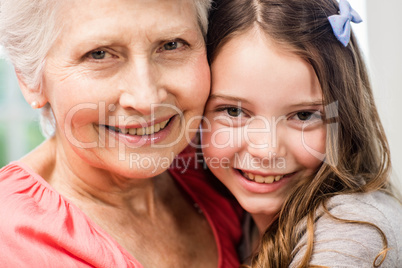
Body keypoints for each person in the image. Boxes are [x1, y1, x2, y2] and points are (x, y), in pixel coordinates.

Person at [0, 0, 243, 267]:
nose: (147, 99)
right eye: (100, 54)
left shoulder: (220, 171)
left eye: (171, 44)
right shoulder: (11, 239)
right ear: (28, 78)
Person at [201, 0, 402, 267]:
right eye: (234, 112)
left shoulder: (355, 230)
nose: (267, 150)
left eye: (304, 116)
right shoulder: (237, 221)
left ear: (345, 121)